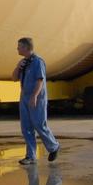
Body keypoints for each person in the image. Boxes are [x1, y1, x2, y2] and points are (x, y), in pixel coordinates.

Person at [13, 36, 60, 165]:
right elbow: (14, 78)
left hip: (37, 98)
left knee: (39, 125)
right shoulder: (24, 62)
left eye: (19, 46)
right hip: (24, 98)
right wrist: (18, 67)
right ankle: (30, 156)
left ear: (26, 47)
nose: (17, 48)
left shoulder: (38, 62)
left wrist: (34, 96)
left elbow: (40, 80)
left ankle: (54, 146)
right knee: (26, 127)